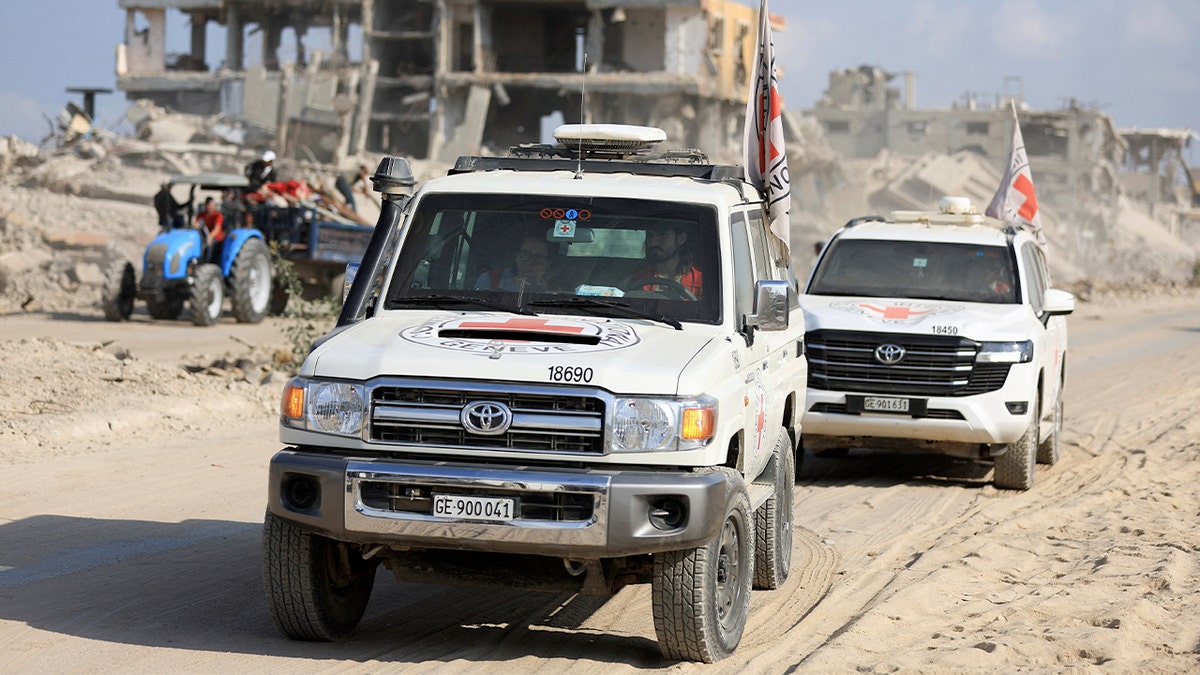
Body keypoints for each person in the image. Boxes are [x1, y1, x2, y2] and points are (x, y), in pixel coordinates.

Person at [628, 222, 702, 299]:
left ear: (681, 239)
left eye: (662, 235)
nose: (653, 243)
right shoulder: (638, 278)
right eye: (650, 235)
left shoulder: (699, 283)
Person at [476, 235, 553, 292]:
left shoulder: (554, 290)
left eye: (539, 257)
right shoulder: (490, 279)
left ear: (548, 264)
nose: (531, 262)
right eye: (525, 255)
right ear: (516, 257)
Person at [195, 197, 225, 262]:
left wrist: (210, 236)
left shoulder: (218, 215)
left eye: (211, 205)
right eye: (208, 205)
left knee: (208, 244)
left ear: (214, 206)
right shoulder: (201, 215)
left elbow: (217, 228)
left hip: (215, 237)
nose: (209, 207)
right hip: (204, 236)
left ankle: (207, 262)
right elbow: (196, 224)